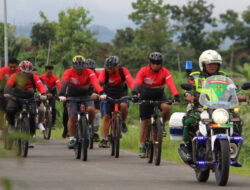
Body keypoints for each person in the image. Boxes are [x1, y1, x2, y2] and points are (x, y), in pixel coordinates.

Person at [180, 49, 243, 166]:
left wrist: (240, 96)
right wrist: (190, 96)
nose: (213, 67)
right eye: (210, 64)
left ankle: (233, 149)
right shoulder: (195, 77)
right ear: (203, 64)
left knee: (237, 120)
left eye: (215, 64)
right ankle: (188, 149)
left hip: (222, 109)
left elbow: (234, 90)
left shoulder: (224, 77)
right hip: (200, 107)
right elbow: (187, 91)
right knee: (189, 120)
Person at [132, 52, 180, 158]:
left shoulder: (165, 72)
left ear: (161, 64)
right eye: (153, 63)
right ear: (150, 63)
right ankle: (142, 146)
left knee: (167, 108)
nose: (156, 65)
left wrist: (176, 95)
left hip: (159, 95)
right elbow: (138, 82)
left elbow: (171, 84)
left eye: (158, 63)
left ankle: (161, 124)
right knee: (145, 122)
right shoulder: (143, 71)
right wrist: (135, 93)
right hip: (145, 96)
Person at [59, 55, 106, 149]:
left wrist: (101, 92)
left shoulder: (89, 72)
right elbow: (64, 83)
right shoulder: (68, 72)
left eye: (81, 68)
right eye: (77, 69)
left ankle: (89, 127)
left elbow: (95, 83)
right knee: (72, 116)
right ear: (73, 67)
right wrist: (62, 95)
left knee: (91, 109)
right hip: (72, 96)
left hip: (86, 95)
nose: (80, 71)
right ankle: (72, 138)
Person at [98, 56, 134, 148]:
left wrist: (135, 92)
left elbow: (130, 81)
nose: (108, 69)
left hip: (121, 93)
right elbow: (99, 83)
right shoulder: (105, 72)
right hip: (108, 94)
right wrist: (99, 93)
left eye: (110, 68)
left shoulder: (123, 71)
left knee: (124, 106)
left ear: (116, 66)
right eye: (107, 67)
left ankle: (122, 123)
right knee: (106, 116)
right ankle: (104, 139)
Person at [4, 61, 47, 137]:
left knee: (33, 114)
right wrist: (7, 93)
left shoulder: (33, 77)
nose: (26, 74)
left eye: (28, 72)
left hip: (30, 99)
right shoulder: (14, 76)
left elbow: (40, 85)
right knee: (10, 110)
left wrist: (43, 94)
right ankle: (11, 125)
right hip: (16, 98)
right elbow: (8, 85)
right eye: (24, 72)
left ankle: (32, 133)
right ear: (20, 70)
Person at [0, 58, 19, 131]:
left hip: (15, 91)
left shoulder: (19, 72)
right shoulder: (2, 71)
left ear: (17, 66)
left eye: (14, 67)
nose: (13, 69)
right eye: (11, 67)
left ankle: (18, 123)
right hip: (3, 90)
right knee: (2, 110)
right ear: (8, 65)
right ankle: (1, 129)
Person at [85, 58, 101, 142]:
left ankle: (94, 132)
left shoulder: (98, 75)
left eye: (92, 69)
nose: (90, 71)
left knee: (97, 115)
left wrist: (99, 94)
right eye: (88, 69)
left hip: (95, 95)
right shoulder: (82, 74)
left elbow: (101, 85)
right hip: (83, 95)